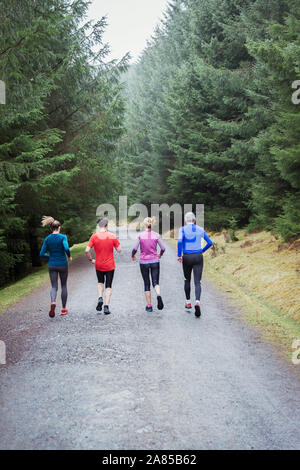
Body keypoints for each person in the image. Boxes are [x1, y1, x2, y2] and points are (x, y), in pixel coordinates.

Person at [177, 212, 213, 317]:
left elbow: (179, 242)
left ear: (185, 220)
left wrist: (179, 255)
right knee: (198, 281)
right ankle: (197, 301)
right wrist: (202, 250)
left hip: (187, 257)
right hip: (198, 256)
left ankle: (188, 302)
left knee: (186, 280)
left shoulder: (182, 229)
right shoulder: (200, 229)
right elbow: (210, 242)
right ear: (195, 220)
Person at [85, 217, 121, 315]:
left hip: (98, 264)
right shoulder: (112, 235)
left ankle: (100, 297)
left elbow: (87, 250)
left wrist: (91, 259)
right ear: (107, 225)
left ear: (98, 225)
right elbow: (119, 250)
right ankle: (106, 306)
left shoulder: (94, 236)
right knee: (108, 285)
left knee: (100, 282)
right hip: (110, 265)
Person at [40, 216, 72, 318]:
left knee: (54, 286)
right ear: (59, 228)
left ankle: (53, 302)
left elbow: (41, 254)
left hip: (52, 265)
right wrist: (69, 256)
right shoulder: (63, 237)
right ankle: (63, 309)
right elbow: (66, 247)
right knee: (64, 286)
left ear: (51, 228)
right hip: (62, 264)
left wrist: (50, 256)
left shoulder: (47, 239)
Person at [132, 217, 165, 312]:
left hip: (144, 262)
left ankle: (149, 305)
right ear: (152, 225)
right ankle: (158, 295)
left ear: (144, 225)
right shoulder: (156, 235)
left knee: (147, 283)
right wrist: (160, 255)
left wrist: (133, 255)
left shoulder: (141, 235)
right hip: (155, 261)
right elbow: (163, 248)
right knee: (156, 282)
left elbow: (135, 248)